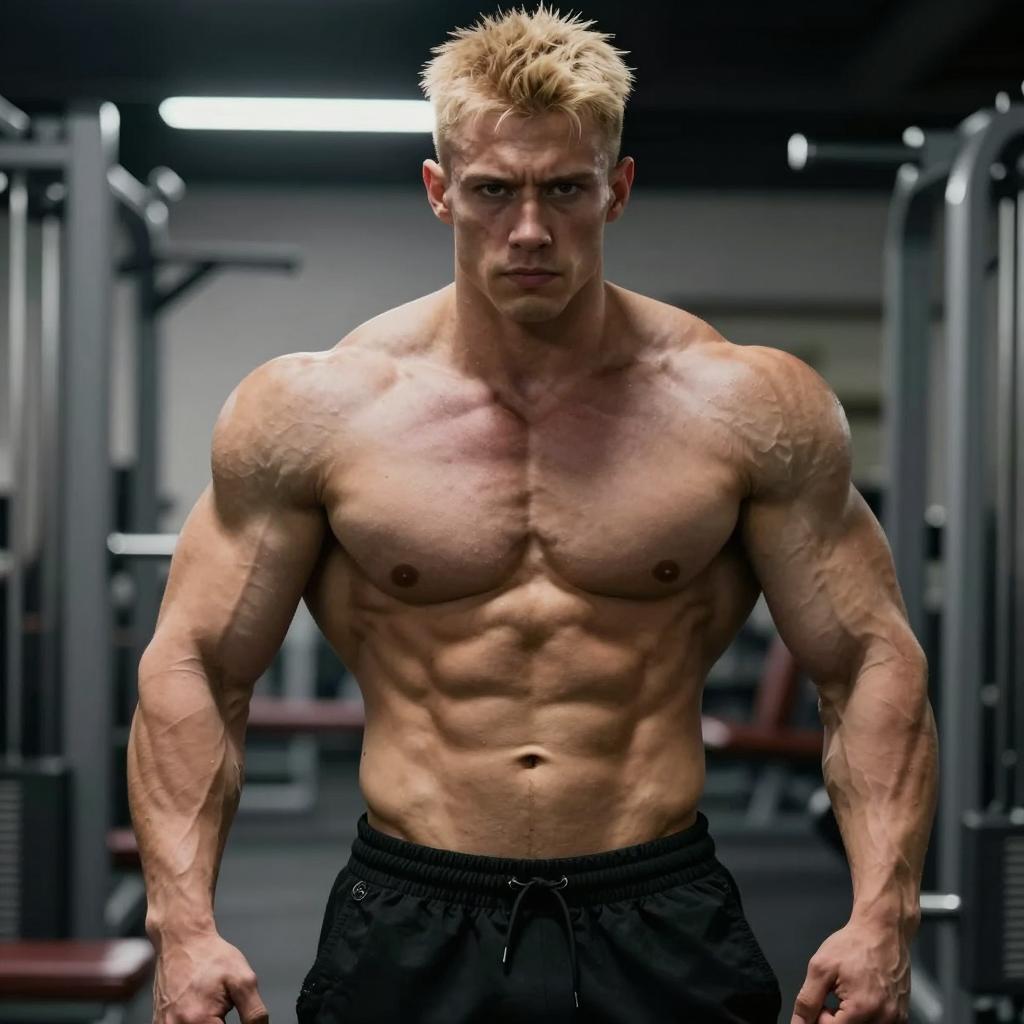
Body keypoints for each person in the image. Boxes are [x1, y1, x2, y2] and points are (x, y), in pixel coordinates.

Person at [127, 6, 938, 1024]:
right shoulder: (314, 410)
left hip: (660, 905)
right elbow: (196, 662)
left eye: (564, 190)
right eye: (492, 191)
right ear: (437, 192)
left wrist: (883, 915)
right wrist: (183, 924)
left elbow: (867, 658)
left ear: (618, 188)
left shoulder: (743, 406)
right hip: (411, 908)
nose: (527, 230)